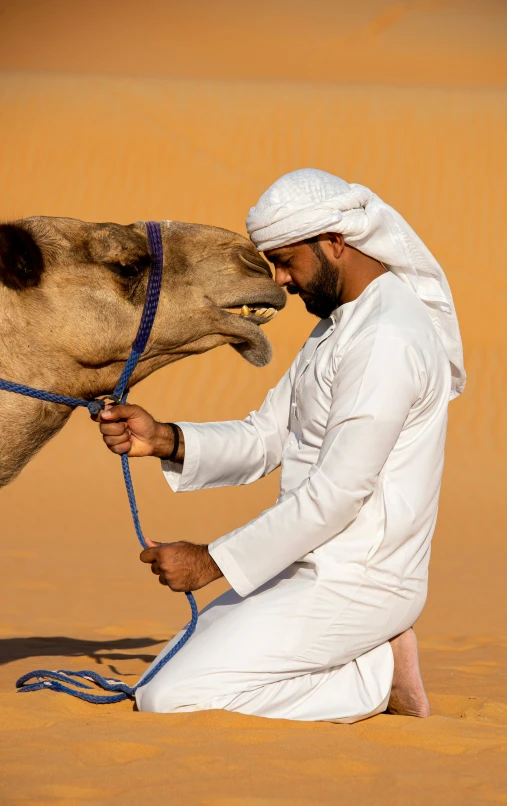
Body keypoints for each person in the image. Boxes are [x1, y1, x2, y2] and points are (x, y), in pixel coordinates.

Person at [98, 169, 465, 722]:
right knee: (155, 676)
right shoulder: (340, 327)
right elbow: (268, 436)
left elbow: (339, 493)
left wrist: (211, 561)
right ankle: (363, 659)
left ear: (335, 244)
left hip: (359, 581)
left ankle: (372, 675)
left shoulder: (387, 338)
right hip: (301, 566)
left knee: (169, 698)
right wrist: (165, 439)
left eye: (287, 261)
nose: (281, 281)